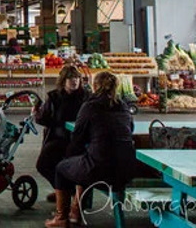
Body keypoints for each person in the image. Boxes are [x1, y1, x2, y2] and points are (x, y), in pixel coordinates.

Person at [46, 71, 135, 228]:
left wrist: (69, 156)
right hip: (125, 170)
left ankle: (61, 218)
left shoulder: (90, 106)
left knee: (63, 168)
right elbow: (130, 129)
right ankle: (75, 212)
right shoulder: (124, 106)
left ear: (94, 86)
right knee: (85, 164)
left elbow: (77, 137)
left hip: (100, 169)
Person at [34, 65, 89, 204]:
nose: (74, 81)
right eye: (70, 78)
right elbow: (44, 118)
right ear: (63, 80)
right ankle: (63, 190)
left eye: (77, 78)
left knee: (74, 161)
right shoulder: (54, 97)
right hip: (59, 138)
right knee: (43, 164)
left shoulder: (87, 97)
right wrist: (36, 114)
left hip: (81, 140)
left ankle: (65, 191)